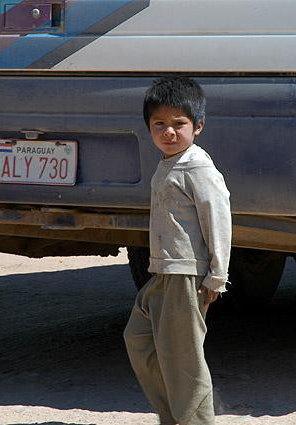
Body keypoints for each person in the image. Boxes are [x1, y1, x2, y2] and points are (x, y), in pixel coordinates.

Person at [123, 76, 232, 425]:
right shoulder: (170, 162)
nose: (168, 132)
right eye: (159, 124)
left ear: (197, 126)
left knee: (183, 361)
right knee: (139, 339)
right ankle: (174, 417)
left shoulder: (197, 166)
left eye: (178, 124)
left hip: (186, 275)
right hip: (163, 273)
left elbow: (218, 216)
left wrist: (217, 275)